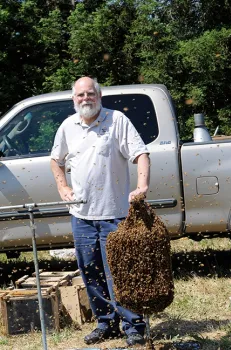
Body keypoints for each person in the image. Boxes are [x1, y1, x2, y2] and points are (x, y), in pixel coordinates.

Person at [50, 77, 150, 346]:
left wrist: (142, 186)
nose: (85, 98)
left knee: (119, 271)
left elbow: (141, 153)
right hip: (81, 215)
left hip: (115, 214)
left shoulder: (116, 120)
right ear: (74, 99)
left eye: (90, 93)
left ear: (99, 95)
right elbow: (55, 160)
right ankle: (106, 324)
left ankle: (133, 325)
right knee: (90, 272)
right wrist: (63, 188)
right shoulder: (67, 126)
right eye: (80, 95)